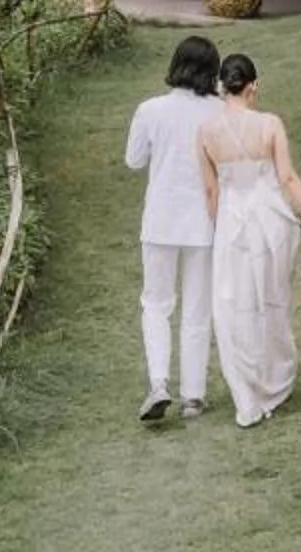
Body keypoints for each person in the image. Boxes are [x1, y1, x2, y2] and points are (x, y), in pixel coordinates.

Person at [198, 51, 301, 429]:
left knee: (232, 304)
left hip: (231, 227)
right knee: (271, 301)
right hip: (270, 223)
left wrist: (220, 228)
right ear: (252, 86)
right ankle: (271, 383)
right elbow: (287, 179)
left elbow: (210, 192)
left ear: (224, 87)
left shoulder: (205, 132)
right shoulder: (269, 124)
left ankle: (247, 396)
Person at [124, 33, 222, 422]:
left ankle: (159, 381)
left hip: (161, 219)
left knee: (156, 304)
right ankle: (193, 396)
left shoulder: (150, 110)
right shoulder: (219, 112)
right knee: (198, 308)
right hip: (205, 221)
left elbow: (134, 160)